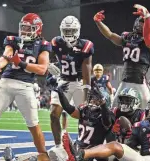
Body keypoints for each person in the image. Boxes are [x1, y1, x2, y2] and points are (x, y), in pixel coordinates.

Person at [0, 13, 51, 160]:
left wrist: (21, 64)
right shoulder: (13, 41)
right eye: (23, 28)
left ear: (37, 30)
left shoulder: (43, 45)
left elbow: (43, 69)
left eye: (28, 28)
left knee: (33, 125)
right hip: (6, 82)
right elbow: (7, 55)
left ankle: (43, 156)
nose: (24, 31)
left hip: (26, 86)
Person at [62, 94, 150, 161]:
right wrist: (120, 136)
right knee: (114, 145)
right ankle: (79, 154)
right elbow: (130, 146)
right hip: (141, 159)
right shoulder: (140, 125)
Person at [93, 4, 150, 109]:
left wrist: (147, 18)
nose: (144, 26)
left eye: (146, 24)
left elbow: (147, 38)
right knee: (114, 108)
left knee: (147, 109)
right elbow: (110, 35)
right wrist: (98, 22)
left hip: (139, 80)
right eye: (142, 23)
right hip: (125, 79)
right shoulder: (128, 36)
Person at [49, 15, 94, 153]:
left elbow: (87, 70)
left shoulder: (86, 45)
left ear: (78, 31)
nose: (68, 34)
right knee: (53, 114)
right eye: (66, 31)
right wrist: (49, 66)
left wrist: (87, 92)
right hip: (63, 80)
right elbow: (51, 57)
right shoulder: (56, 42)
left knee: (84, 116)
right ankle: (58, 147)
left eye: (71, 30)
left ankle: (83, 144)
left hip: (80, 82)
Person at [49, 83, 115, 161]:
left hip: (92, 152)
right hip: (78, 147)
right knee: (56, 152)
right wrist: (60, 94)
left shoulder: (107, 115)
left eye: (96, 100)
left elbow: (107, 121)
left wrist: (103, 104)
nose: (92, 101)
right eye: (91, 99)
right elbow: (69, 109)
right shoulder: (85, 110)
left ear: (104, 101)